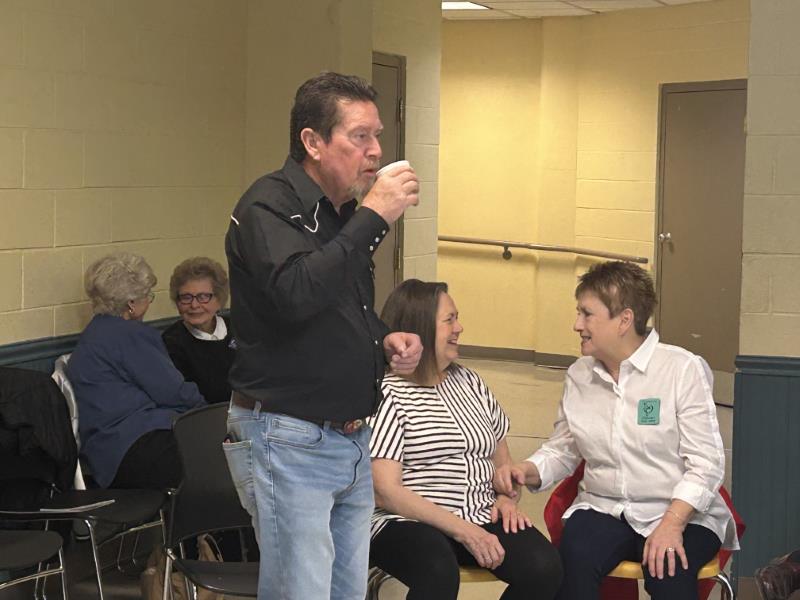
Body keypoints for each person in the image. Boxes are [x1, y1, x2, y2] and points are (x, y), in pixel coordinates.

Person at [223, 72, 423, 600]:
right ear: (313, 142)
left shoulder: (341, 215)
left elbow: (336, 306)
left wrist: (381, 338)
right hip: (288, 435)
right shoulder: (267, 205)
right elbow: (294, 295)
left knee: (345, 593)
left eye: (377, 136)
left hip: (351, 438)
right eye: (360, 136)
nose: (375, 151)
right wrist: (374, 216)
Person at [495, 261, 739, 600]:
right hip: (604, 508)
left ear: (624, 320)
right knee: (570, 566)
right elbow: (563, 450)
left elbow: (707, 463)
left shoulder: (682, 369)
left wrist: (672, 523)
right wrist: (526, 470)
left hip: (681, 512)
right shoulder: (579, 375)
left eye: (587, 314)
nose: (577, 325)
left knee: (669, 571)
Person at [369, 279, 562, 600]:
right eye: (449, 320)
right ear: (419, 328)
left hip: (480, 512)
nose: (459, 328)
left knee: (544, 568)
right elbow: (385, 491)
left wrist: (506, 499)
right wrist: (464, 531)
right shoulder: (388, 392)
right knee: (437, 570)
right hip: (409, 520)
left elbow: (503, 466)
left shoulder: (470, 382)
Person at [66, 252, 205, 490]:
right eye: (147, 295)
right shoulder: (129, 335)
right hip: (136, 445)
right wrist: (210, 411)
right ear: (131, 304)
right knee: (224, 454)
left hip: (105, 455)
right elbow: (174, 392)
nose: (149, 302)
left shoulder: (96, 333)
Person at [162, 257, 235, 405]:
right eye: (186, 297)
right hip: (207, 415)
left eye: (203, 297)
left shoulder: (240, 329)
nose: (194, 305)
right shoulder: (171, 342)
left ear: (219, 299)